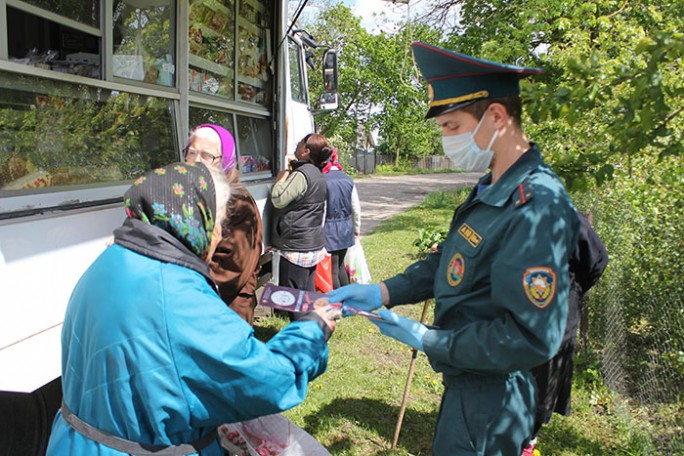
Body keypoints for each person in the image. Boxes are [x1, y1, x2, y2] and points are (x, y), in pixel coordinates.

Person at [327, 42, 580, 455]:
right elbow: (454, 260)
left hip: (495, 397)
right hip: (469, 383)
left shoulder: (536, 206)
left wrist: (430, 340)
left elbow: (532, 337)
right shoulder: (492, 187)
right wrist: (384, 291)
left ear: (495, 117)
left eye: (451, 127)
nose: (445, 140)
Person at [46, 162, 339, 455]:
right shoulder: (178, 293)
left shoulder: (107, 262)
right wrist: (313, 330)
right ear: (197, 219)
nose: (219, 236)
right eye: (219, 223)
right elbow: (265, 378)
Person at [522, 213, 609, 455]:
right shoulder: (512, 212)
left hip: (557, 317)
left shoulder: (566, 217)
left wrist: (572, 290)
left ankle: (526, 443)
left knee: (540, 386)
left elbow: (597, 261)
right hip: (518, 314)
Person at [185, 124, 263, 325]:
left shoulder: (238, 204)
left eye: (207, 155)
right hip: (198, 305)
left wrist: (179, 283)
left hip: (226, 312)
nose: (197, 161)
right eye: (192, 153)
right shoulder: (195, 194)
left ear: (226, 160)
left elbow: (228, 270)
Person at [270, 133, 333, 296]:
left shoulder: (302, 174)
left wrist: (280, 180)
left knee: (293, 299)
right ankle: (312, 321)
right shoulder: (318, 173)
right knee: (306, 294)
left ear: (306, 151)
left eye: (299, 143)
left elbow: (278, 199)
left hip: (296, 247)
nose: (296, 145)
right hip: (311, 242)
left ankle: (303, 322)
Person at [323, 148, 362, 289]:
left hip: (329, 229)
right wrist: (356, 229)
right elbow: (356, 209)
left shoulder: (322, 179)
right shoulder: (347, 179)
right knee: (340, 265)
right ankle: (347, 298)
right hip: (346, 228)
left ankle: (338, 302)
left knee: (332, 269)